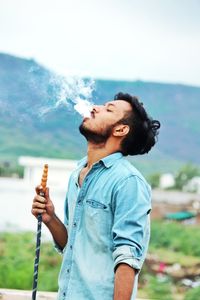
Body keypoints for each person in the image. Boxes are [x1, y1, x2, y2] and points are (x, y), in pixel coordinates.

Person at [32, 92, 160, 300]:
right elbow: (71, 246)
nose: (95, 108)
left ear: (121, 129)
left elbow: (127, 259)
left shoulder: (128, 182)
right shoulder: (78, 173)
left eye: (108, 109)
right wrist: (50, 218)